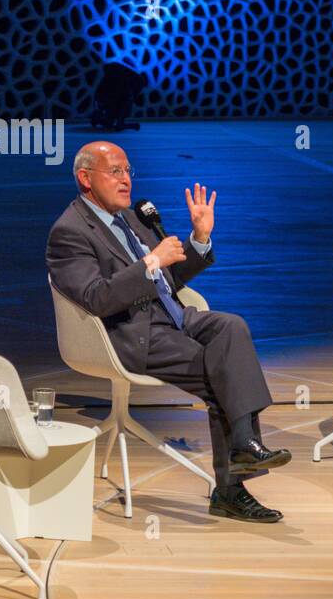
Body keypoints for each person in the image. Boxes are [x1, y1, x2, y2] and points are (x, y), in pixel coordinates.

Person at [46, 141, 289, 523]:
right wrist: (148, 263)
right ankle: (231, 489)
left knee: (231, 327)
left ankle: (242, 445)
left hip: (175, 316)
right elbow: (96, 298)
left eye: (128, 171)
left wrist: (198, 240)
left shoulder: (131, 217)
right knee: (219, 376)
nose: (126, 180)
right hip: (132, 334)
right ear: (85, 178)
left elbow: (167, 278)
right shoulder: (70, 231)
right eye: (115, 172)